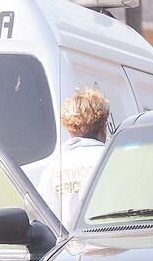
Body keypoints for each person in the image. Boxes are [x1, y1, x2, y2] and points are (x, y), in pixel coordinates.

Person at [38, 87, 111, 228]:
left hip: (68, 242)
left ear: (69, 128)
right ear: (104, 126)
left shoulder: (52, 170)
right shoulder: (112, 160)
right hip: (111, 239)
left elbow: (42, 222)